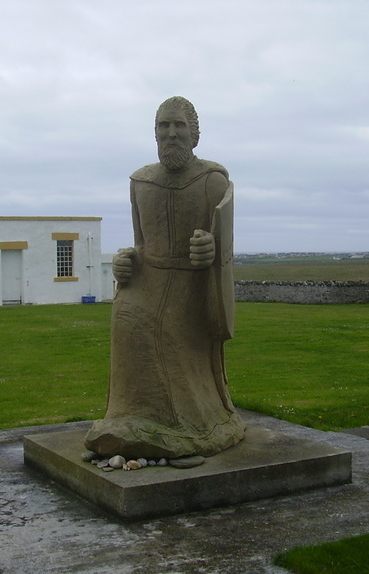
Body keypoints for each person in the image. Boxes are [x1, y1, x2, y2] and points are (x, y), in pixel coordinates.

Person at [84, 96, 246, 459]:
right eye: (164, 126)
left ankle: (192, 424)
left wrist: (210, 248)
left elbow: (223, 245)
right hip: (149, 281)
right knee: (127, 314)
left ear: (194, 134)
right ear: (155, 134)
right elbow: (140, 245)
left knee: (164, 325)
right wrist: (124, 261)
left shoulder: (211, 181)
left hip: (192, 285)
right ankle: (128, 418)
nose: (171, 134)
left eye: (179, 126)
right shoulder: (140, 182)